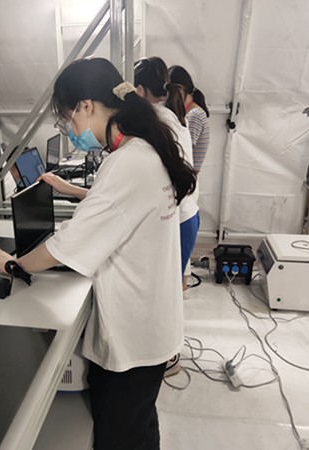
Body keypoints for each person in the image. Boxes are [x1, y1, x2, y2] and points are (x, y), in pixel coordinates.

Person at [0, 57, 196, 450]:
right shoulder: (143, 147)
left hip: (134, 340)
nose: (71, 130)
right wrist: (75, 191)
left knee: (120, 438)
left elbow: (63, 248)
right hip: (150, 330)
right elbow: (122, 205)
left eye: (67, 119)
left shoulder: (128, 161)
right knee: (141, 425)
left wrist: (12, 263)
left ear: (87, 106)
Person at [134, 57, 200, 376]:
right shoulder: (169, 114)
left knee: (168, 293)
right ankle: (168, 351)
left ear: (139, 90)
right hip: (187, 213)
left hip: (181, 217)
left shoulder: (156, 119)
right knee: (171, 289)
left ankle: (170, 357)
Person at [168, 65, 210, 172]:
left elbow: (184, 152)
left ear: (180, 89)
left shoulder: (195, 115)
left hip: (186, 176)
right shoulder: (191, 113)